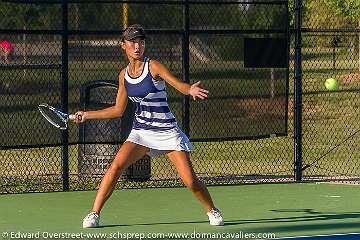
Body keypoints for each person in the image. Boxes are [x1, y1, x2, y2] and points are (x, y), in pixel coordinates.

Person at [76, 24, 224, 228]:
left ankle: (212, 210)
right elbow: (118, 110)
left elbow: (176, 84)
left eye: (141, 42)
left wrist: (189, 89)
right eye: (133, 42)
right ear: (123, 46)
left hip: (167, 132)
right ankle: (94, 213)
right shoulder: (123, 76)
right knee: (114, 168)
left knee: (190, 181)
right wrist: (87, 115)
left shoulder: (153, 66)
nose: (137, 46)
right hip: (142, 132)